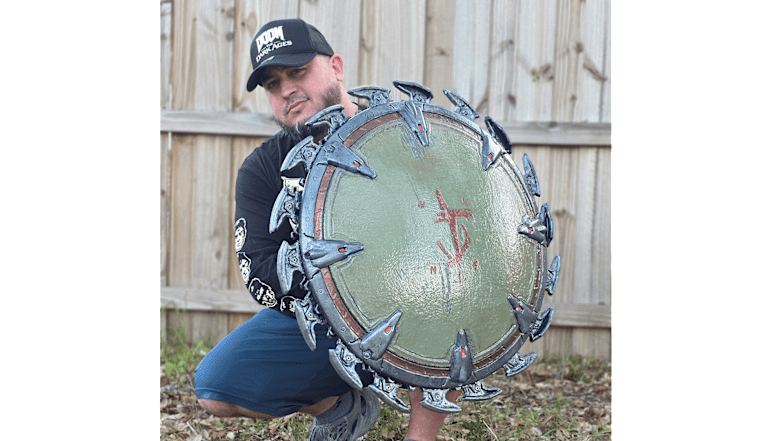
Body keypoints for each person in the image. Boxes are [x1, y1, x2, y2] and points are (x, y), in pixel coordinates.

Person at [194, 18, 460, 441]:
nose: (286, 90)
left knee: (449, 289)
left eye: (297, 72)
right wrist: (343, 293)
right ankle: (342, 406)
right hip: (323, 318)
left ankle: (421, 432)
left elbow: (463, 242)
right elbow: (261, 273)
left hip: (419, 303)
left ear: (336, 66)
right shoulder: (262, 169)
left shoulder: (404, 132)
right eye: (272, 83)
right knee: (216, 387)